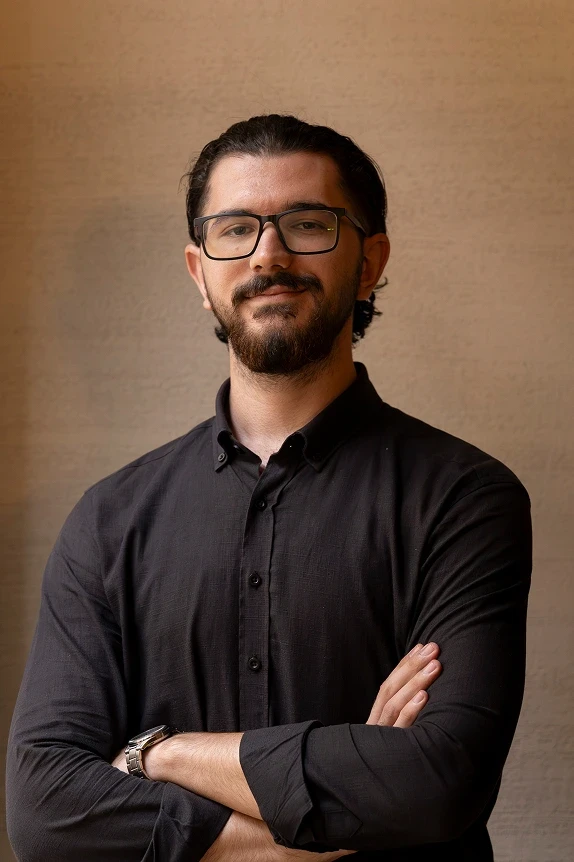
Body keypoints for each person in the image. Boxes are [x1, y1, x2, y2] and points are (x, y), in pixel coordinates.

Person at [6, 114, 532, 862]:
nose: (268, 254)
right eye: (235, 229)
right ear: (200, 272)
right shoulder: (108, 520)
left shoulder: (464, 499)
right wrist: (318, 815)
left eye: (308, 224)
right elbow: (43, 809)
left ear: (370, 261)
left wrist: (160, 753)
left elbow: (439, 782)